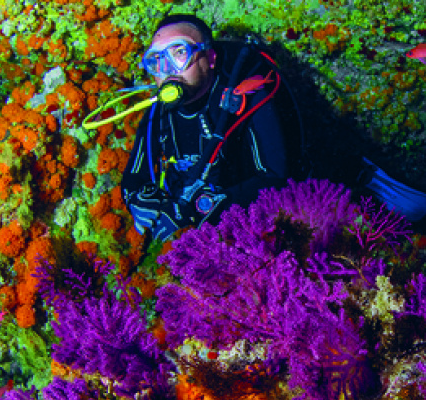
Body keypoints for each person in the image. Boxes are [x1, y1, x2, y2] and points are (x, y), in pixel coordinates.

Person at [120, 14, 296, 241]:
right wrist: (139, 200)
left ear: (210, 58)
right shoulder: (158, 112)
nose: (167, 70)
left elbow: (276, 176)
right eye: (156, 59)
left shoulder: (248, 97)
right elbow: (134, 176)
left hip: (258, 231)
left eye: (179, 53)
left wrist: (202, 207)